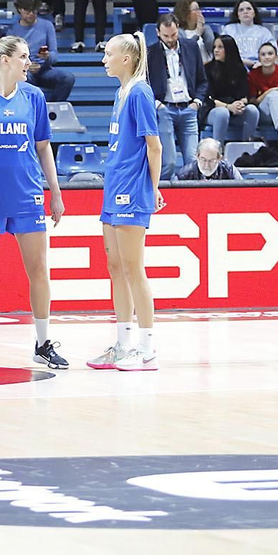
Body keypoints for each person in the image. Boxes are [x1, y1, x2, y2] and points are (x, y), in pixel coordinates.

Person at [0, 35, 69, 371]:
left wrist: (56, 191)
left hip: (27, 194)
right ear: (4, 59)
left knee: (38, 269)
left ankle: (42, 342)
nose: (28, 62)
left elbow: (43, 147)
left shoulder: (34, 96)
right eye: (23, 56)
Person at [86, 32, 163, 371]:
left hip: (131, 190)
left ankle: (146, 349)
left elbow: (154, 145)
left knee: (133, 268)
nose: (104, 59)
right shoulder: (122, 92)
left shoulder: (140, 92)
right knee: (115, 267)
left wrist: (153, 186)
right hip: (113, 187)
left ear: (127, 59)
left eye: (108, 54)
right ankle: (123, 343)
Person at [147, 13, 207, 181]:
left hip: (189, 108)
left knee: (193, 162)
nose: (170, 39)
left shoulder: (191, 47)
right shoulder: (149, 53)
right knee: (169, 162)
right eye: (166, 35)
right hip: (164, 110)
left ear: (178, 29)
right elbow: (143, 84)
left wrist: (197, 102)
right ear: (158, 32)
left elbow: (202, 80)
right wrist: (157, 105)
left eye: (173, 34)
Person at [4, 0, 74, 103]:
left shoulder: (47, 26)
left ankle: (52, 106)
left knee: (68, 78)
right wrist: (25, 66)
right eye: (27, 11)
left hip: (45, 70)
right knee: (23, 79)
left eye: (34, 11)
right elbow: (10, 59)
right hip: (25, 71)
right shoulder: (12, 31)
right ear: (19, 10)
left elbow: (54, 54)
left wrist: (47, 56)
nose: (31, 14)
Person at [205, 36, 261, 143]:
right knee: (223, 113)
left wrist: (240, 103)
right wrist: (228, 106)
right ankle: (218, 149)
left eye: (220, 47)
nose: (216, 50)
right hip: (213, 109)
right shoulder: (208, 69)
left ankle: (245, 145)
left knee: (252, 110)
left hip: (235, 109)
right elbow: (208, 99)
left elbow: (244, 95)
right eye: (214, 47)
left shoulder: (239, 69)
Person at [221, 0, 276, 69]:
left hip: (260, 66)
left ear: (254, 13)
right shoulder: (228, 29)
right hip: (234, 66)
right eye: (241, 10)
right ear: (238, 15)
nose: (245, 12)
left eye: (248, 9)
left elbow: (274, 52)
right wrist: (241, 61)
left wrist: (261, 63)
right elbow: (222, 50)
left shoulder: (264, 32)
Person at [175, 138, 242, 181]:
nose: (207, 166)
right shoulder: (184, 175)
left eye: (211, 161)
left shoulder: (229, 170)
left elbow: (242, 191)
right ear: (197, 156)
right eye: (203, 160)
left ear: (219, 158)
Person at [174, 0, 216, 65]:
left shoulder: (206, 29)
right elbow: (185, 50)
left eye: (199, 9)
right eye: (196, 9)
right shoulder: (179, 32)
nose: (199, 12)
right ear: (185, 14)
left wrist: (204, 30)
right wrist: (197, 34)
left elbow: (212, 48)